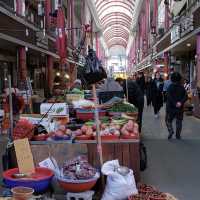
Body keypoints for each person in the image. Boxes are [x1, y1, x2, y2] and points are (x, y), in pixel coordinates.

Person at [166, 72, 188, 140]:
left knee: (168, 120)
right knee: (179, 121)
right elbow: (186, 96)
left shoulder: (170, 87)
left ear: (172, 79)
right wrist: (180, 103)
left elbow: (169, 97)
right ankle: (178, 135)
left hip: (171, 107)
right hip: (179, 108)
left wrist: (175, 103)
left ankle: (171, 130)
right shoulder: (182, 87)